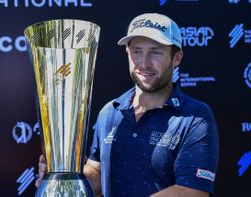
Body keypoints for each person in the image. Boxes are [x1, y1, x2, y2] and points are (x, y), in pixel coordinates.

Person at [36, 13, 219, 197]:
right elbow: (98, 173)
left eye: (155, 52)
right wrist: (66, 177)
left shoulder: (195, 116)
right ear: (127, 53)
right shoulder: (109, 112)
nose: (144, 63)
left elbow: (192, 191)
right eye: (137, 51)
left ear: (177, 58)